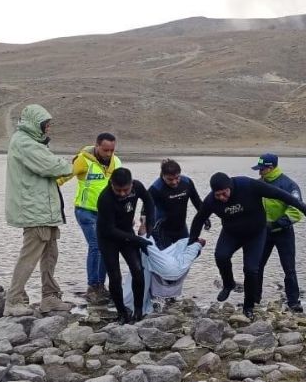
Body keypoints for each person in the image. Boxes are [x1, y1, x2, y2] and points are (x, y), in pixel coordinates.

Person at [188, 172, 306, 320]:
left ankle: (248, 306)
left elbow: (280, 194)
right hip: (231, 233)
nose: (222, 198)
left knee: (251, 269)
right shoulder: (211, 201)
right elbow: (199, 219)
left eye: (224, 193)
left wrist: (304, 208)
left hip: (255, 234)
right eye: (218, 195)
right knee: (220, 256)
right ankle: (228, 284)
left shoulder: (247, 185)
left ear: (230, 186)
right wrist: (191, 241)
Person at [4, 104, 74, 316]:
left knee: (50, 253)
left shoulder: (34, 143)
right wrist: (72, 164)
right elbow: (53, 167)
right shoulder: (25, 143)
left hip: (45, 209)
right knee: (30, 254)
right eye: (46, 125)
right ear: (37, 124)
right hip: (34, 210)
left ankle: (50, 297)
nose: (48, 129)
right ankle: (13, 300)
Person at [62, 132, 120, 304]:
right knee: (96, 245)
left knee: (106, 247)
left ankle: (101, 285)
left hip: (106, 213)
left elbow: (121, 188)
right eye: (105, 150)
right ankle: (92, 286)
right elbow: (63, 176)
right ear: (97, 146)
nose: (109, 154)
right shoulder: (83, 160)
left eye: (111, 150)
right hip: (85, 211)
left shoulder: (116, 162)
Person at [97, 167, 155, 324]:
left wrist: (150, 224)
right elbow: (109, 230)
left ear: (131, 184)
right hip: (108, 237)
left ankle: (138, 310)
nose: (122, 193)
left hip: (126, 233)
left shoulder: (137, 187)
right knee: (115, 277)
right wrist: (138, 240)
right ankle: (122, 313)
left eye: (125, 190)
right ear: (111, 184)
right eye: (118, 190)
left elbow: (149, 202)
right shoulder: (105, 198)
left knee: (137, 270)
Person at [252, 153, 305, 312]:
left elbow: (296, 211)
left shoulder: (289, 185)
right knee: (256, 266)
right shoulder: (257, 184)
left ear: (271, 167)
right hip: (263, 233)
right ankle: (254, 299)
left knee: (289, 268)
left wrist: (276, 224)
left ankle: (293, 302)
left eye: (262, 169)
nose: (259, 172)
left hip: (283, 232)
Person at [148, 159, 208, 249]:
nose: (174, 182)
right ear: (163, 175)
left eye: (177, 178)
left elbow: (197, 201)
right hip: (162, 230)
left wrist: (205, 217)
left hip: (181, 228)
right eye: (170, 179)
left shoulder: (187, 182)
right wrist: (146, 226)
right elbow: (146, 208)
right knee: (167, 260)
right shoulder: (156, 188)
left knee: (187, 253)